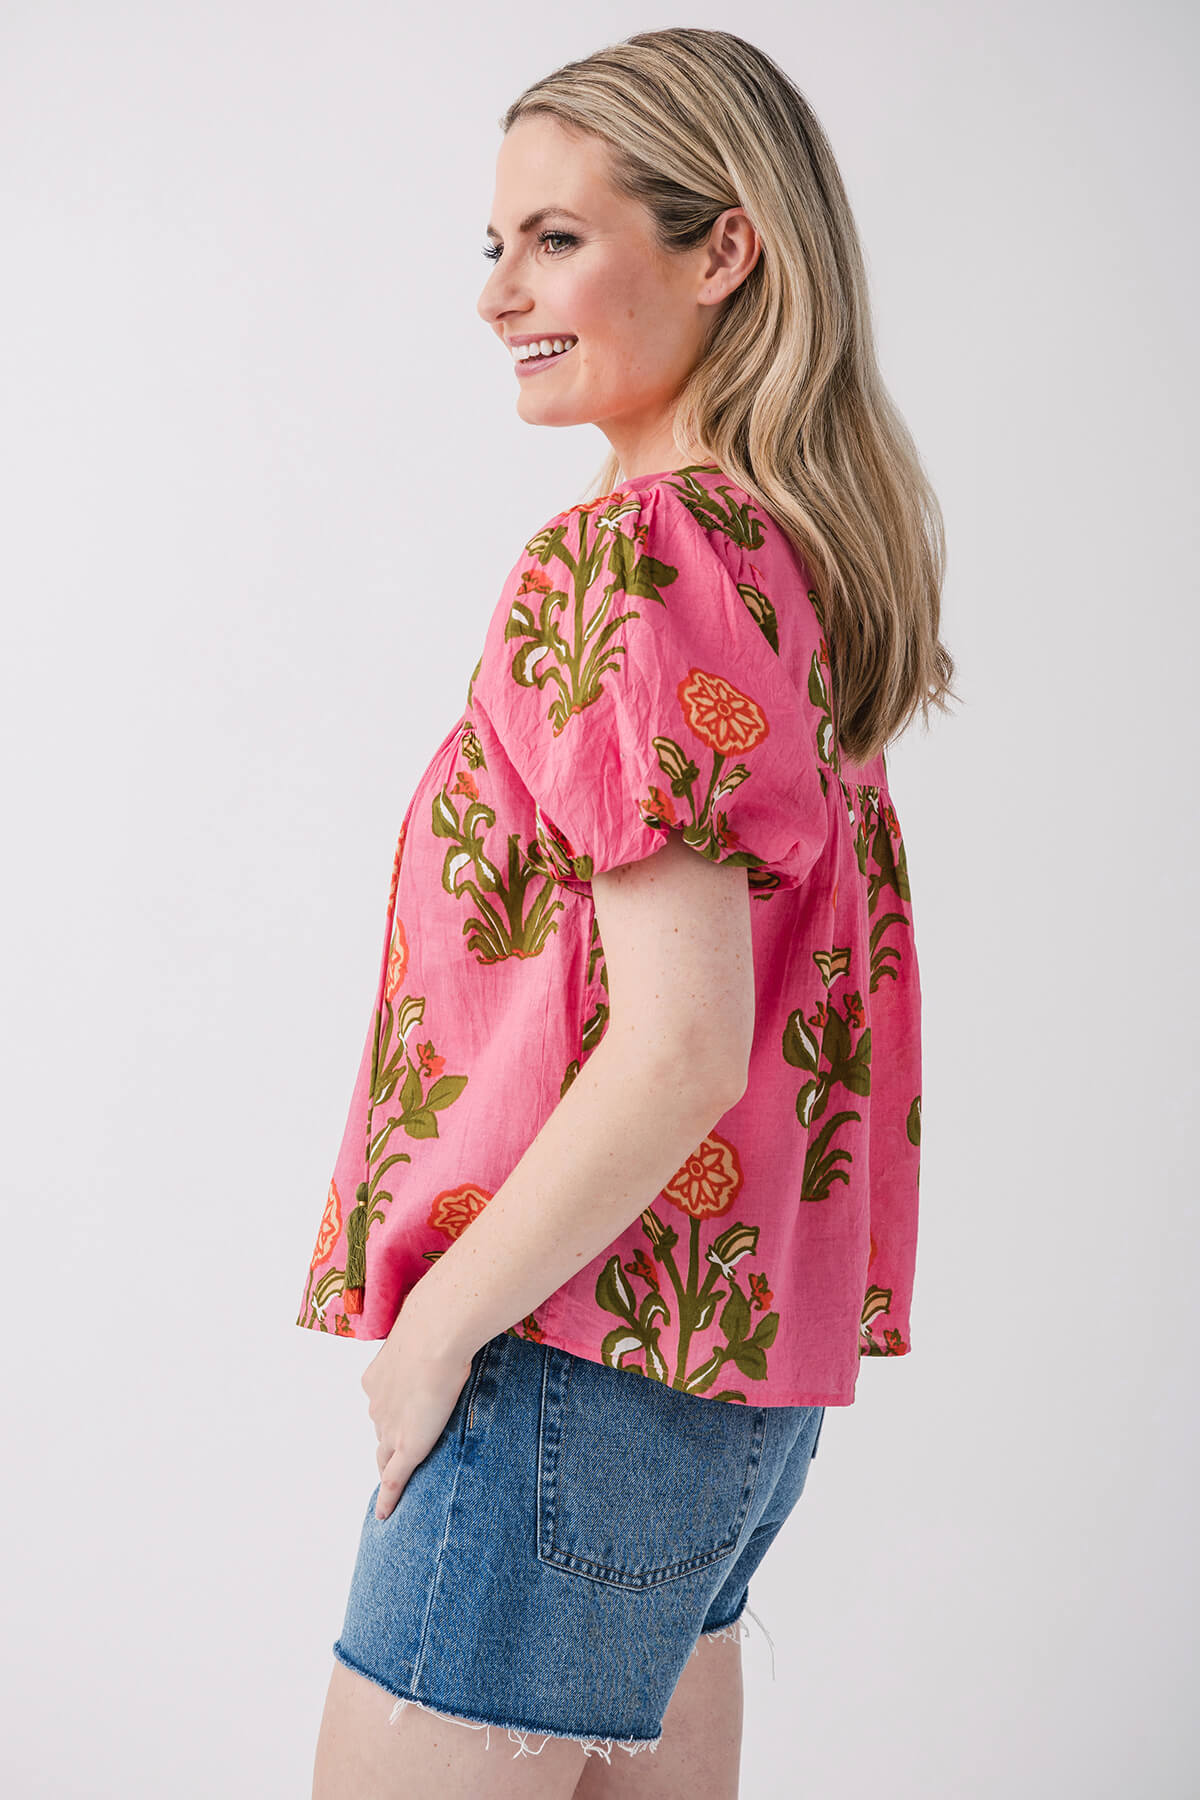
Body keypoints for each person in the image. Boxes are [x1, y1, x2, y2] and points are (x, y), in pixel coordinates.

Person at [307, 26, 955, 1799]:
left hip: (566, 1358)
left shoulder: (629, 561)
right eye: (494, 243)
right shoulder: (783, 562)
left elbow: (682, 1045)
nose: (500, 293)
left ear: (724, 248)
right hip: (718, 1395)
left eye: (556, 239)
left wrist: (436, 1334)